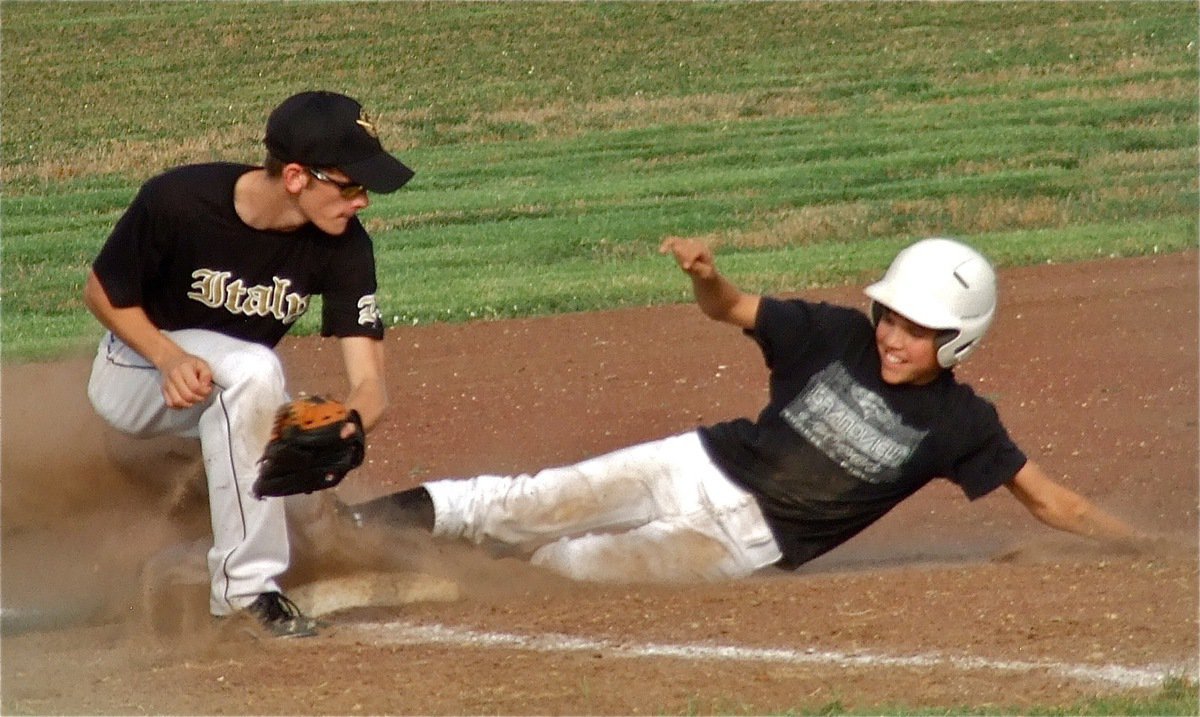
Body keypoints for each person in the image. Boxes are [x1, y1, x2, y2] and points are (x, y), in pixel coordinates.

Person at [349, 237, 1148, 583]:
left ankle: (419, 580)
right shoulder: (833, 334)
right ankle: (346, 537)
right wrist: (705, 273)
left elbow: (1050, 498)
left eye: (919, 329)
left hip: (742, 541)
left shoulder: (963, 425)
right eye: (892, 317)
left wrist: (1141, 547)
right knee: (524, 501)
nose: (896, 336)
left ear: (960, 342)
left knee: (573, 566)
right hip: (692, 460)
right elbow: (729, 305)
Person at [84, 90, 414, 637]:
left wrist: (348, 426)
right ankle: (244, 592)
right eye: (351, 185)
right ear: (294, 177)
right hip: (133, 377)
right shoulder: (180, 201)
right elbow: (101, 292)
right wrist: (168, 358)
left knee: (306, 519)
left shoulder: (344, 247)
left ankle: (179, 568)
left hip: (221, 393)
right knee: (257, 369)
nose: (363, 202)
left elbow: (369, 383)